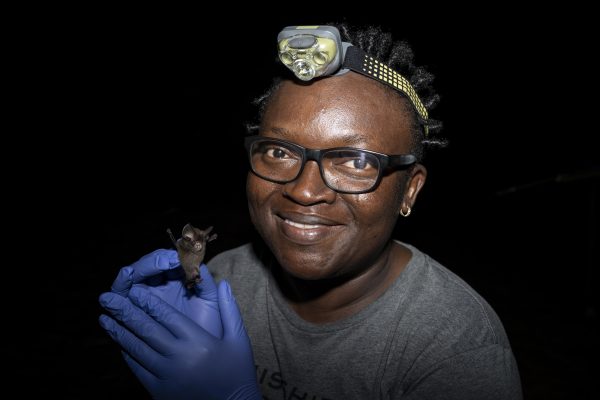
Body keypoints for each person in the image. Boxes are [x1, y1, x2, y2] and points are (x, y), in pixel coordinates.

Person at [98, 23, 523, 399]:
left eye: (356, 161)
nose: (303, 191)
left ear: (410, 190)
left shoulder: (455, 348)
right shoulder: (219, 281)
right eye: (279, 151)